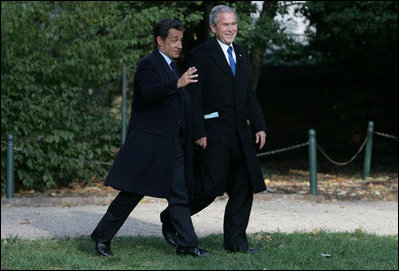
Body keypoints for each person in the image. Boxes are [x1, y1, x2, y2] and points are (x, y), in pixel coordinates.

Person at [90, 18, 212, 257]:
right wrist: (176, 84)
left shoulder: (174, 66)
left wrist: (196, 131)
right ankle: (102, 236)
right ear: (160, 40)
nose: (179, 45)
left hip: (171, 144)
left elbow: (182, 103)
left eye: (181, 40)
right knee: (132, 193)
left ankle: (188, 245)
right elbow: (148, 93)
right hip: (149, 144)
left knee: (179, 194)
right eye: (174, 40)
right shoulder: (149, 64)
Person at [160, 5, 267, 253]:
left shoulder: (241, 53)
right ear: (213, 27)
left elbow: (248, 93)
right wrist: (199, 131)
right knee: (209, 187)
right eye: (225, 25)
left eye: (233, 24)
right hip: (214, 134)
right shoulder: (200, 55)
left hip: (241, 135)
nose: (230, 29)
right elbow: (193, 97)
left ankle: (236, 242)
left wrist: (259, 125)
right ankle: (172, 217)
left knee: (243, 185)